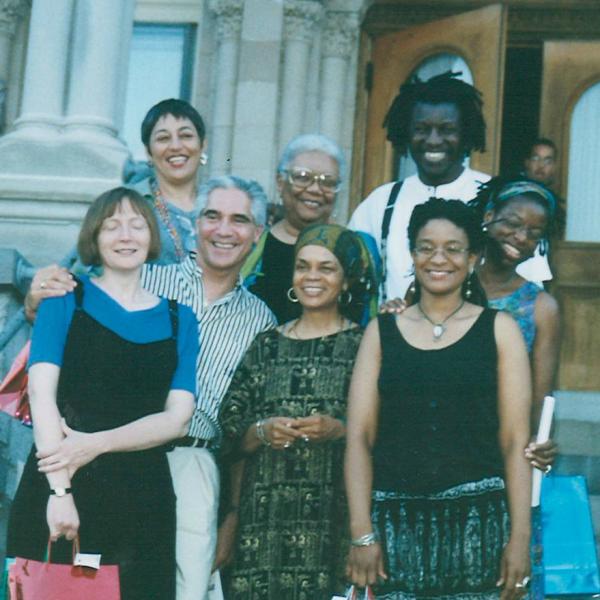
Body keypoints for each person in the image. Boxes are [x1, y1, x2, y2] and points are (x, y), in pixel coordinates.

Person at [23, 175, 277, 600]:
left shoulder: (261, 320)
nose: (224, 230)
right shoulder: (146, 279)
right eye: (212, 216)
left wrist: (231, 512)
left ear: (257, 234)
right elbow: (66, 344)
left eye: (239, 220)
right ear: (195, 224)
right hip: (91, 458)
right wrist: (37, 296)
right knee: (78, 583)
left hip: (186, 460)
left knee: (175, 587)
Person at [7, 187, 198, 600]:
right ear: (94, 237)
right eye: (112, 225)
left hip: (142, 497)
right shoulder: (65, 299)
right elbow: (41, 396)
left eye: (136, 224)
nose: (125, 235)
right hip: (65, 482)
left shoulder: (181, 319)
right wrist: (60, 494)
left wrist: (95, 445)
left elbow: (177, 418)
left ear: (151, 236)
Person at [345, 198, 532, 599]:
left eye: (453, 248)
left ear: (474, 257)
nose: (438, 258)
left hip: (479, 527)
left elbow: (516, 442)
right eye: (426, 247)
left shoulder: (500, 331)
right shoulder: (382, 333)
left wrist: (519, 538)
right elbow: (359, 437)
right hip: (395, 528)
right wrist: (362, 532)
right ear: (412, 255)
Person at [219, 223, 378, 599]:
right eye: (303, 266)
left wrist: (340, 430)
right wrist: (260, 432)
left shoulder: (365, 345)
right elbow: (228, 433)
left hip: (334, 520)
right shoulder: (267, 344)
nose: (312, 277)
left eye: (327, 268)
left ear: (348, 279)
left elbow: (384, 432)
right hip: (263, 524)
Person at [348, 71, 551, 301]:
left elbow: (529, 293)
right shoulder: (382, 202)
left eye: (447, 130)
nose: (433, 140)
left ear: (466, 134)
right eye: (421, 129)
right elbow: (348, 275)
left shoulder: (499, 199)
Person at [472, 177, 561, 600]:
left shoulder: (540, 307)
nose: (520, 238)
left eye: (534, 233)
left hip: (500, 461)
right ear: (487, 218)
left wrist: (540, 445)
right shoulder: (444, 282)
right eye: (512, 223)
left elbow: (540, 405)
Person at [242, 133, 346, 323]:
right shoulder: (251, 248)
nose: (315, 189)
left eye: (328, 181)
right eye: (303, 177)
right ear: (281, 182)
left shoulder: (354, 248)